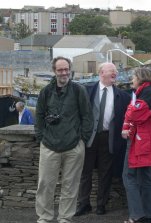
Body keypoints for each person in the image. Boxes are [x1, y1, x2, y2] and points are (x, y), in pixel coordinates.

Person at [34, 56, 93, 223]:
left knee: (70, 185)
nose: (64, 73)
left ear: (70, 69)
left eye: (66, 69)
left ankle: (65, 217)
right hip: (49, 145)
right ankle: (44, 217)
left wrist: (82, 139)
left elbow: (87, 116)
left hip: (74, 146)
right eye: (60, 70)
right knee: (45, 184)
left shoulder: (78, 90)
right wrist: (41, 137)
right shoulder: (46, 92)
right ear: (54, 71)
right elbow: (39, 115)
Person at [75, 63, 131, 216]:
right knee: (85, 172)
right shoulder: (87, 91)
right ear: (101, 73)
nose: (115, 73)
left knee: (105, 173)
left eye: (116, 71)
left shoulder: (123, 96)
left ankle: (101, 204)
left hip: (109, 138)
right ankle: (83, 204)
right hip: (89, 137)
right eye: (112, 71)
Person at [122, 68, 151, 223]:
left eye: (134, 76)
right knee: (145, 178)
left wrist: (130, 110)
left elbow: (134, 114)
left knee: (129, 176)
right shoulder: (147, 92)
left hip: (141, 141)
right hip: (145, 139)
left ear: (140, 78)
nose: (132, 79)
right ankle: (149, 215)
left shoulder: (148, 92)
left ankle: (137, 216)